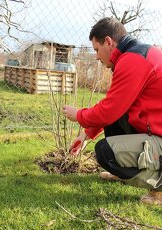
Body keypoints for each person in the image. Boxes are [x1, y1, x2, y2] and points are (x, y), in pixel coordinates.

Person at [62, 17, 162, 206]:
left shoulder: (134, 60)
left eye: (97, 50)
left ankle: (159, 187)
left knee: (105, 152)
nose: (97, 57)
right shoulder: (136, 55)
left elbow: (109, 111)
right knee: (115, 123)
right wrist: (86, 135)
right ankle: (123, 175)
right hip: (155, 131)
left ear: (109, 42)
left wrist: (79, 115)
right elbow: (114, 108)